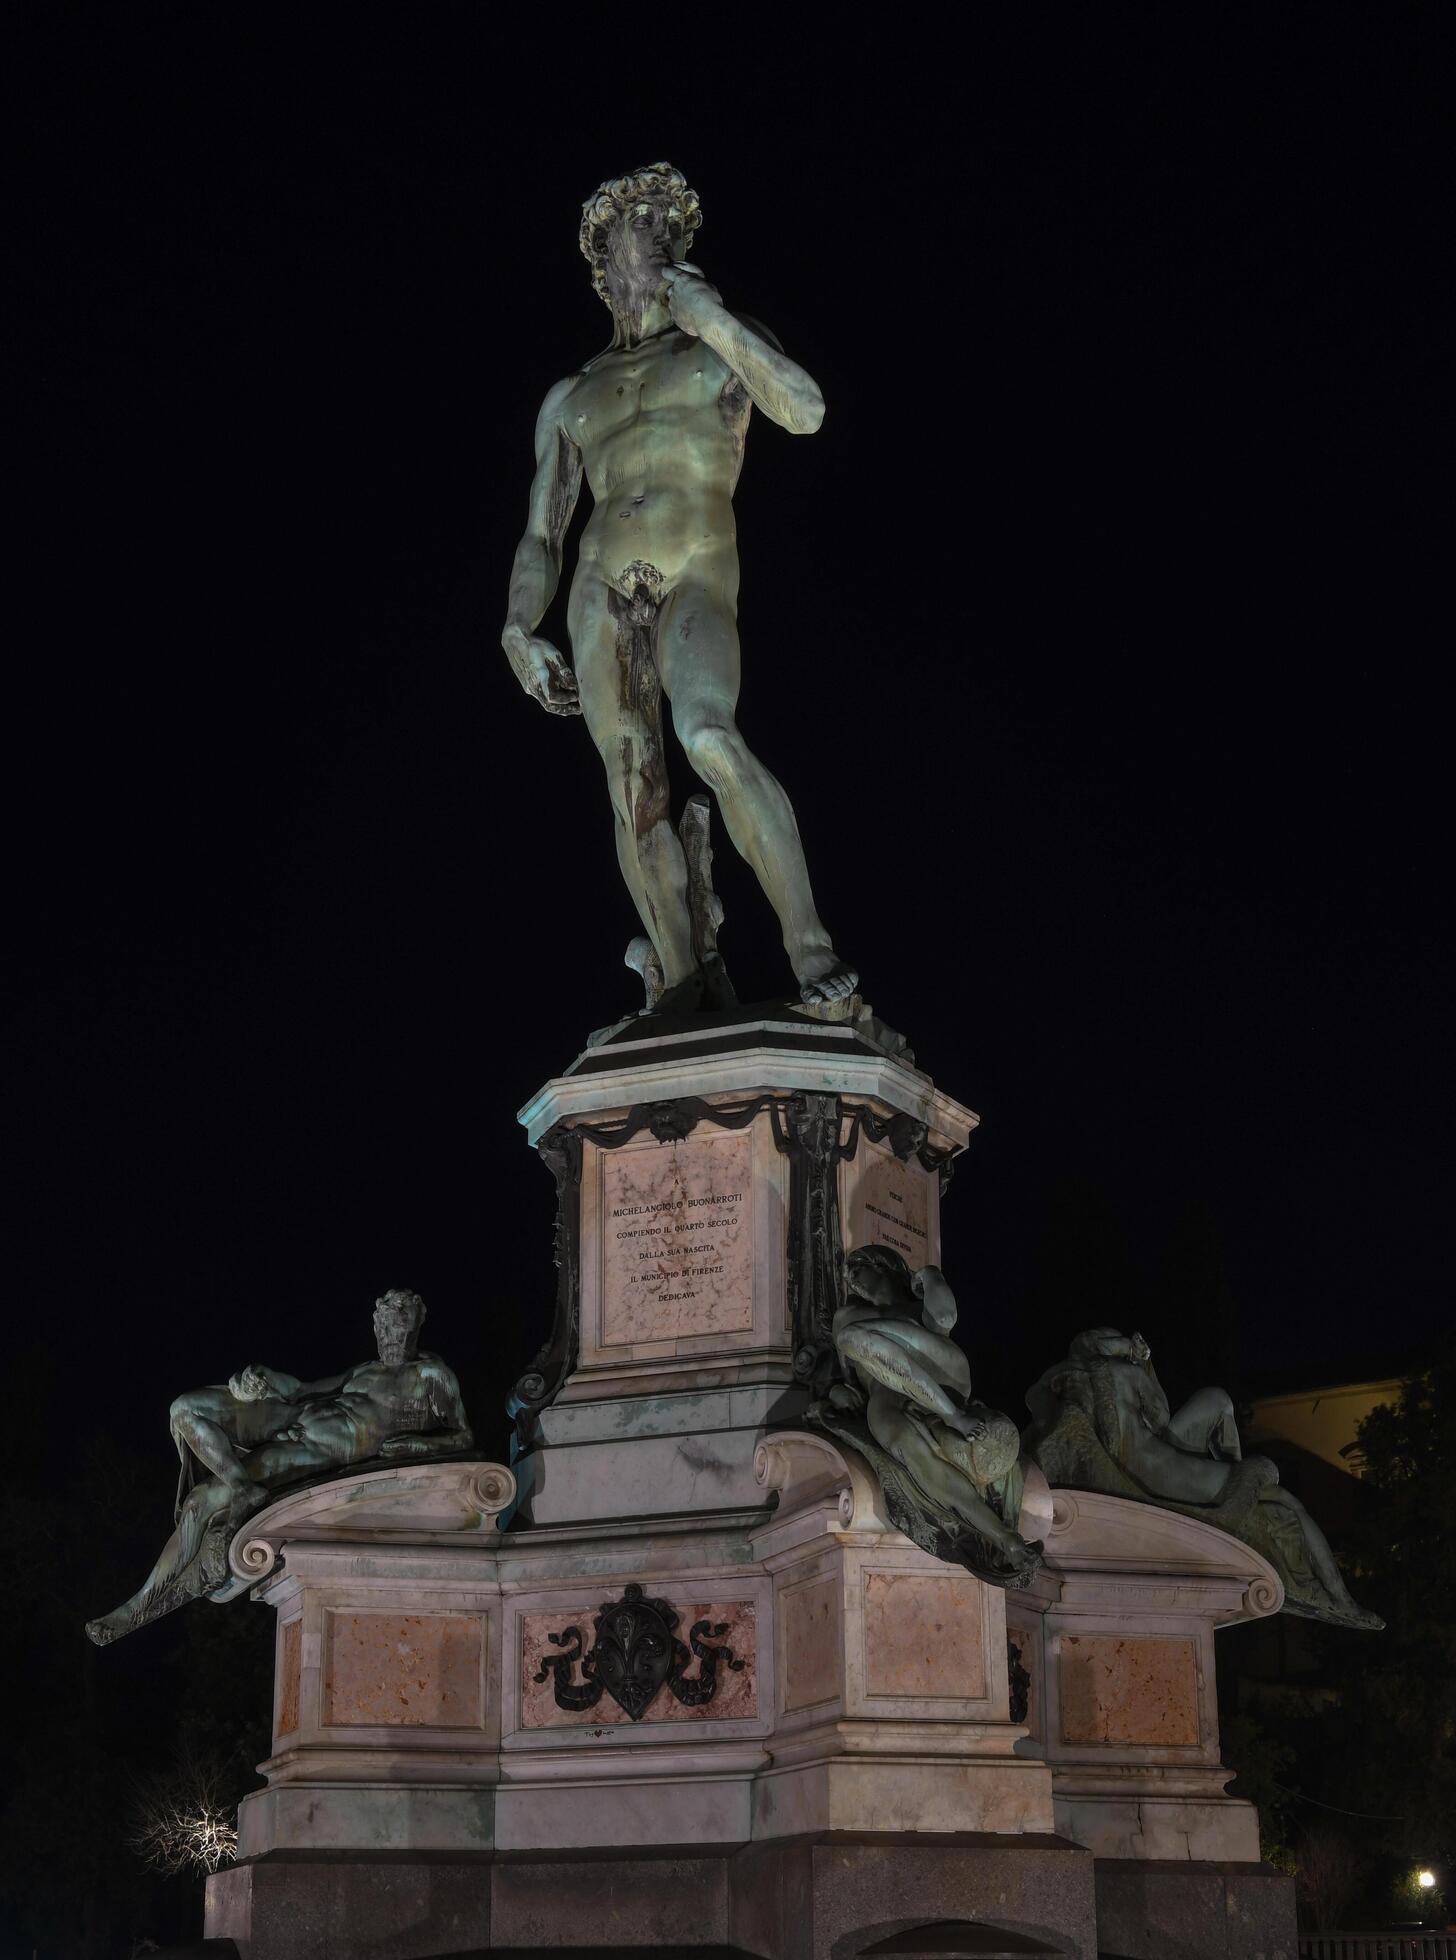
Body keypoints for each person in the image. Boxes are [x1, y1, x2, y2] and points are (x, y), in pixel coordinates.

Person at [502, 163, 856, 1008]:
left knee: (707, 736)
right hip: (597, 586)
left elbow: (804, 411)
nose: (663, 231)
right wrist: (518, 627)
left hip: (695, 566)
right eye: (645, 219)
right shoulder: (571, 396)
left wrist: (717, 321)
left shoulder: (714, 349)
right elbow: (542, 532)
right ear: (606, 248)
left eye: (672, 221)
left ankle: (808, 948)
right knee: (634, 792)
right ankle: (682, 978)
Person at [86, 1289, 472, 1645]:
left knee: (201, 1501)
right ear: (376, 1326)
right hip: (294, 1415)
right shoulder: (364, 1370)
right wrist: (263, 1378)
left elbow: (462, 1437)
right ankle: (241, 1486)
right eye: (386, 1321)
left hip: (314, 1448)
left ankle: (137, 1609)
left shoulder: (432, 1376)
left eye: (402, 1318)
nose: (392, 1328)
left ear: (417, 1324)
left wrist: (419, 1443)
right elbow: (302, 1390)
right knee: (184, 1408)